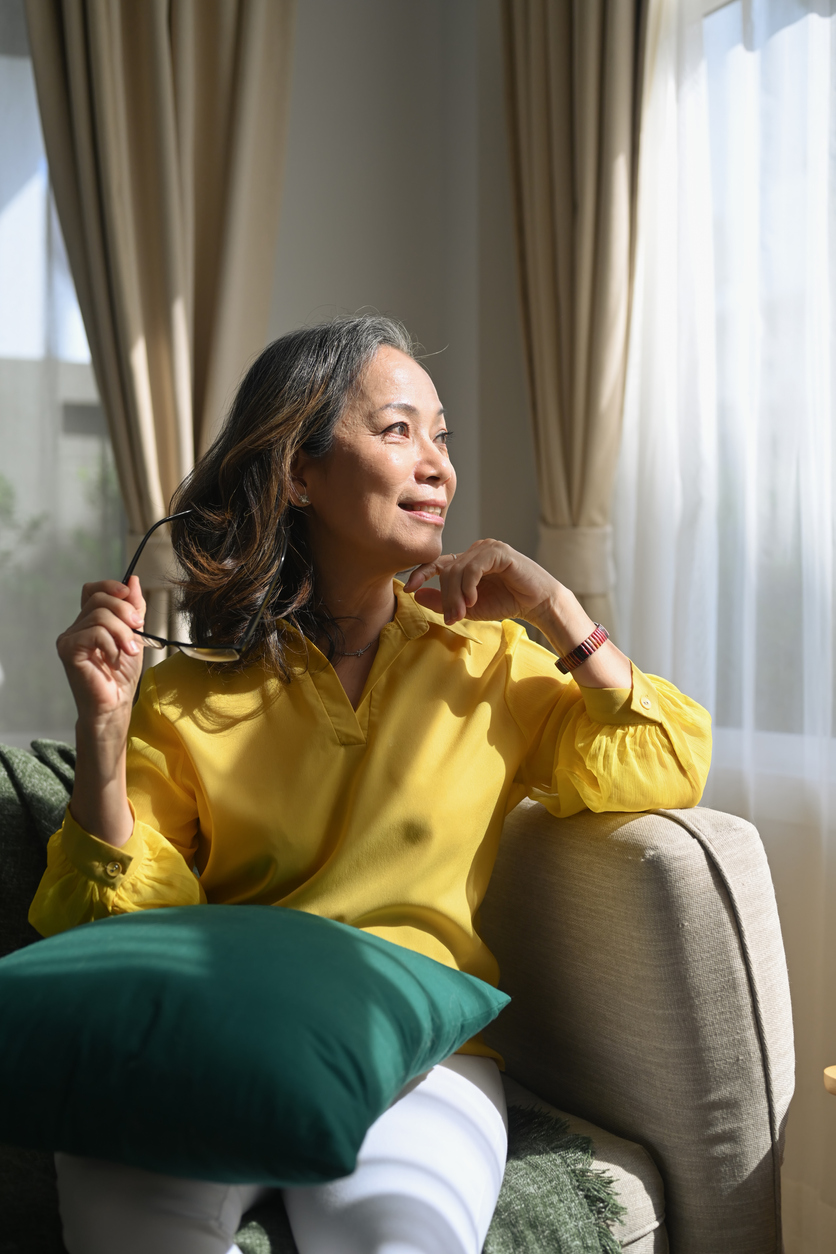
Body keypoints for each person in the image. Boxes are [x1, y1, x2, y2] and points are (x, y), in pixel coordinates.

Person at [30, 315, 712, 1254]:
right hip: (226, 1040)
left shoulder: (488, 660)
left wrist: (559, 610)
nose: (436, 464)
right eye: (398, 431)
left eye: (442, 437)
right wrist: (102, 743)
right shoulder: (187, 691)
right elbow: (118, 934)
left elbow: (669, 758)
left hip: (423, 1064)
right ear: (298, 472)